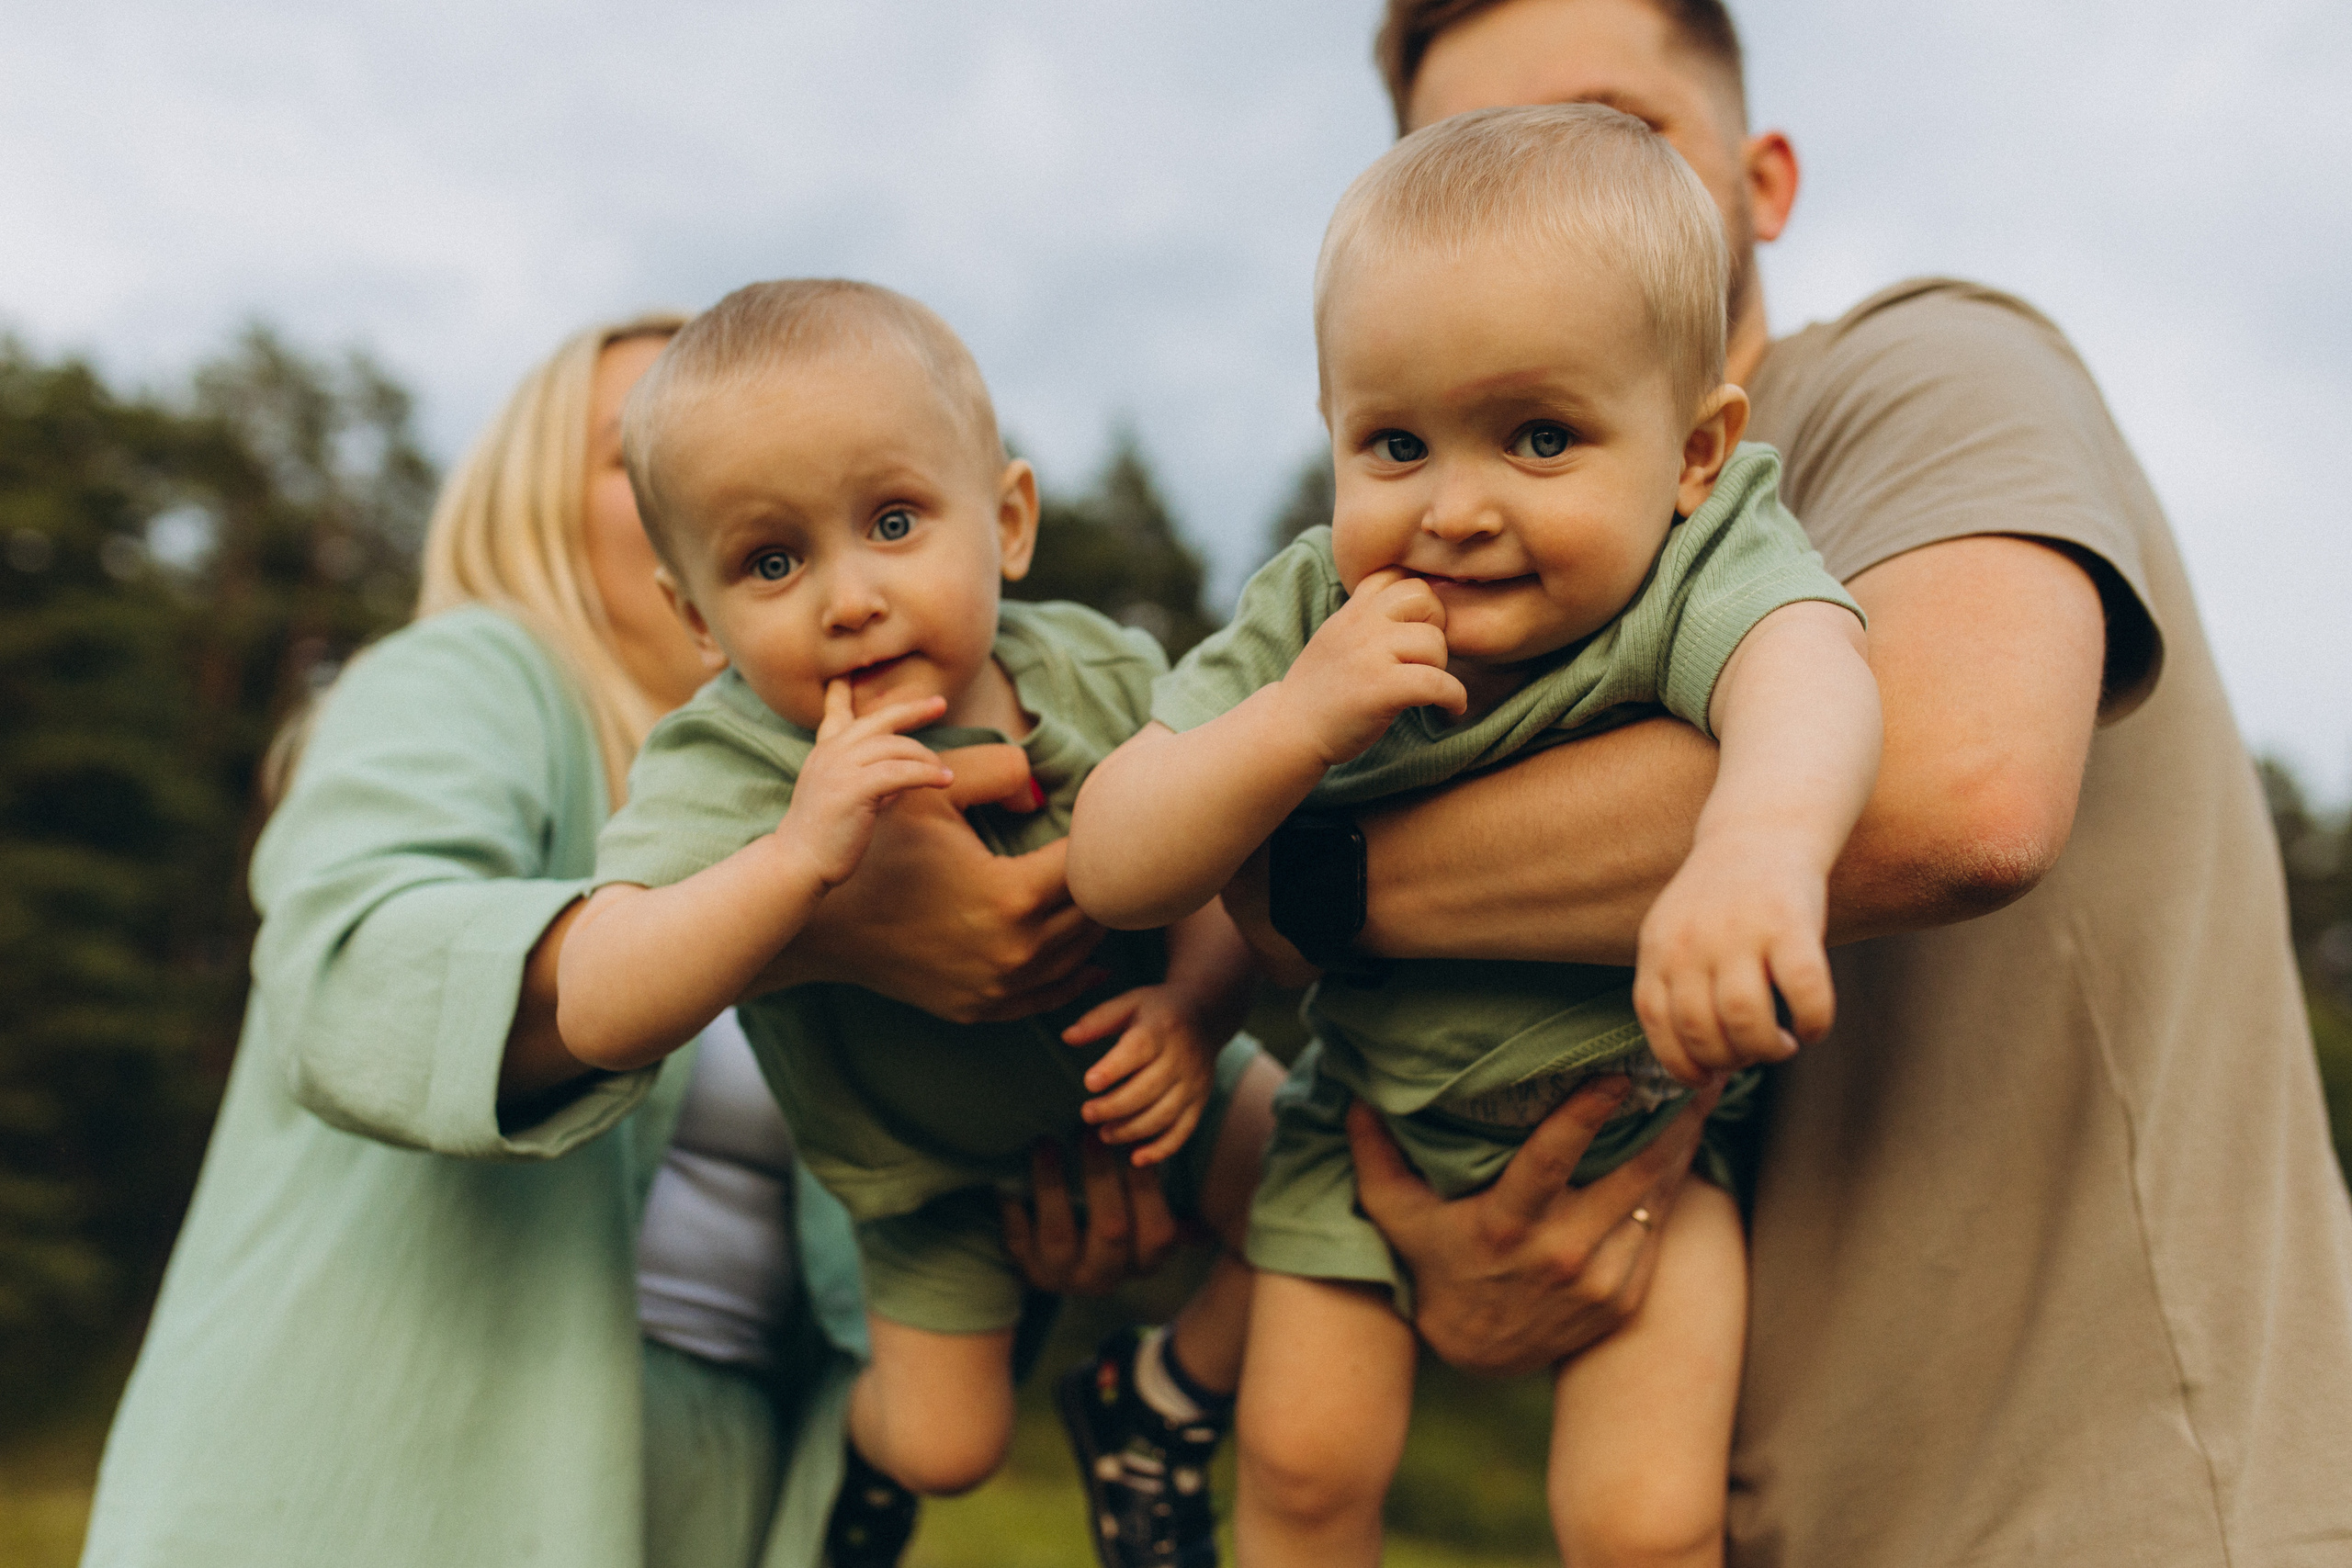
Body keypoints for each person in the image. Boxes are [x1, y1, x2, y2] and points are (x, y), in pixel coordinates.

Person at [1238, 2, 2352, 1563]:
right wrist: (1470, 1242)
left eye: (1619, 130)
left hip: (2127, 1505)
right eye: (1480, 154)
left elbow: (1960, 785)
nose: (1556, 185)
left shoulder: (1924, 366)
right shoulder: (1478, 581)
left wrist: (1313, 888)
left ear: (1762, 182)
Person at [74, 313, 1155, 1568]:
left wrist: (1042, 1203)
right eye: (637, 452)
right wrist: (807, 932)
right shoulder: (474, 674)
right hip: (378, 1482)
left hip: (720, 1487)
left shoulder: (850, 773)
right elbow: (351, 968)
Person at [1072, 105, 1879, 1566]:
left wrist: (1756, 848)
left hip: (1646, 1141)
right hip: (1364, 1125)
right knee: (1304, 1475)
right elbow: (1117, 861)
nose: (1455, 509)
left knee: (1646, 1524)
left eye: (1540, 438)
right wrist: (1296, 720)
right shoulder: (1316, 611)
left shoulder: (1696, 567)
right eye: (1395, 444)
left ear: (1696, 452)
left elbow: (1810, 671)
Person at [559, 279, 1283, 1568]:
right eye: (771, 562)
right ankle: (862, 1448)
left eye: (893, 523)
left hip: (1161, 1073)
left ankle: (1160, 1397)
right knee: (950, 1447)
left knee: (1337, 1191)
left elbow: (1240, 870)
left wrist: (1193, 1010)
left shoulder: (1100, 673)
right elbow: (599, 1004)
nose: (848, 598)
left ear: (1006, 522)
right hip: (925, 1181)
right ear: (698, 620)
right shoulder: (732, 760)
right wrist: (796, 860)